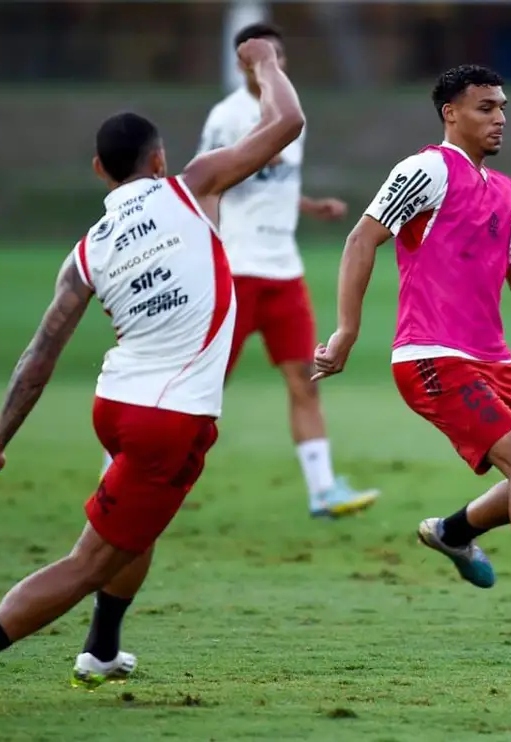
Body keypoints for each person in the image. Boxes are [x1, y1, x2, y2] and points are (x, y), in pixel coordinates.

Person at [0, 38, 305, 715]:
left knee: (133, 531)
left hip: (116, 404)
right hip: (169, 419)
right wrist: (266, 64)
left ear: (99, 170)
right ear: (160, 160)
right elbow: (288, 123)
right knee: (90, 560)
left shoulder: (86, 252)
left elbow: (38, 356)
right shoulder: (195, 186)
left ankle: (100, 649)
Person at [312, 64, 511, 640]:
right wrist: (346, 331)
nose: (500, 117)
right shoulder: (426, 170)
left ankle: (455, 532)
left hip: (494, 361)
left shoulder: (505, 191)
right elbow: (362, 237)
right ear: (450, 113)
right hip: (430, 356)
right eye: (486, 107)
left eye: (503, 106)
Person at [194, 21, 378, 518]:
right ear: (243, 63)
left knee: (305, 378)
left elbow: (268, 181)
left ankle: (322, 490)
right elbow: (206, 182)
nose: (273, 65)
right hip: (236, 271)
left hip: (283, 272)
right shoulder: (227, 116)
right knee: (202, 387)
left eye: (280, 56)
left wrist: (309, 205)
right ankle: (132, 471)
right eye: (262, 56)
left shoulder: (291, 111)